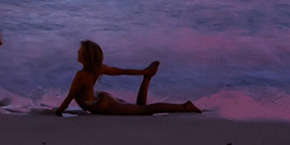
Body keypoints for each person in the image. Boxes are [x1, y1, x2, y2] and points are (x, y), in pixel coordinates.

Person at [52, 40, 201, 115]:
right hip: (102, 98)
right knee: (140, 108)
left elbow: (70, 97)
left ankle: (184, 107)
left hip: (100, 105)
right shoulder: (98, 68)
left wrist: (58, 112)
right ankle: (147, 78)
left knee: (145, 111)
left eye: (80, 51)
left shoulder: (81, 76)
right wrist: (142, 72)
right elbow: (120, 71)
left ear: (85, 58)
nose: (77, 52)